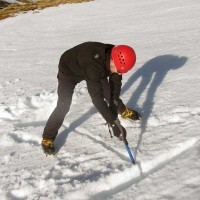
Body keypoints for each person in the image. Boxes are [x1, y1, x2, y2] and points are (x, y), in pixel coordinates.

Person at [41, 41, 141, 155]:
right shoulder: (94, 65)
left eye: (121, 71)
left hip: (93, 66)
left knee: (110, 94)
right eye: (118, 70)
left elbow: (115, 85)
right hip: (69, 70)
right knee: (63, 105)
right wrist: (113, 123)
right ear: (112, 60)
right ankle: (47, 138)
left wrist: (113, 108)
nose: (118, 73)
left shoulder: (116, 54)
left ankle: (122, 110)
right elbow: (97, 98)